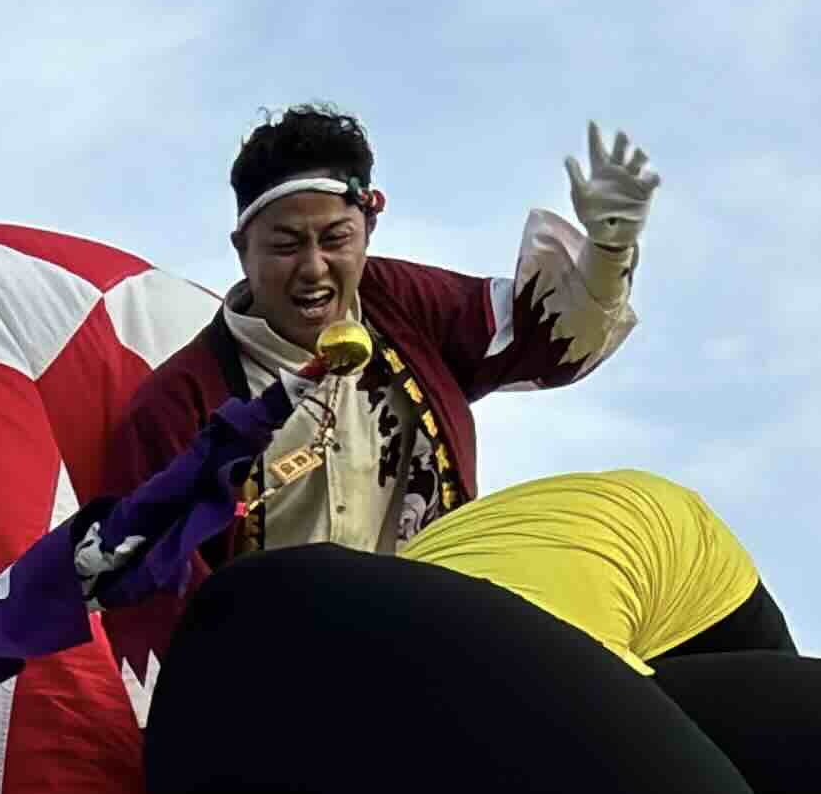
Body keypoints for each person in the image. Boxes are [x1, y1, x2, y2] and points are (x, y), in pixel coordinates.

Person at [82, 103, 655, 636]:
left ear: (368, 232)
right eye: (285, 245)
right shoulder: (181, 404)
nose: (313, 268)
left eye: (336, 239)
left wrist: (606, 256)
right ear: (241, 248)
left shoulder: (403, 305)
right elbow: (151, 596)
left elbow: (540, 340)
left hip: (443, 639)